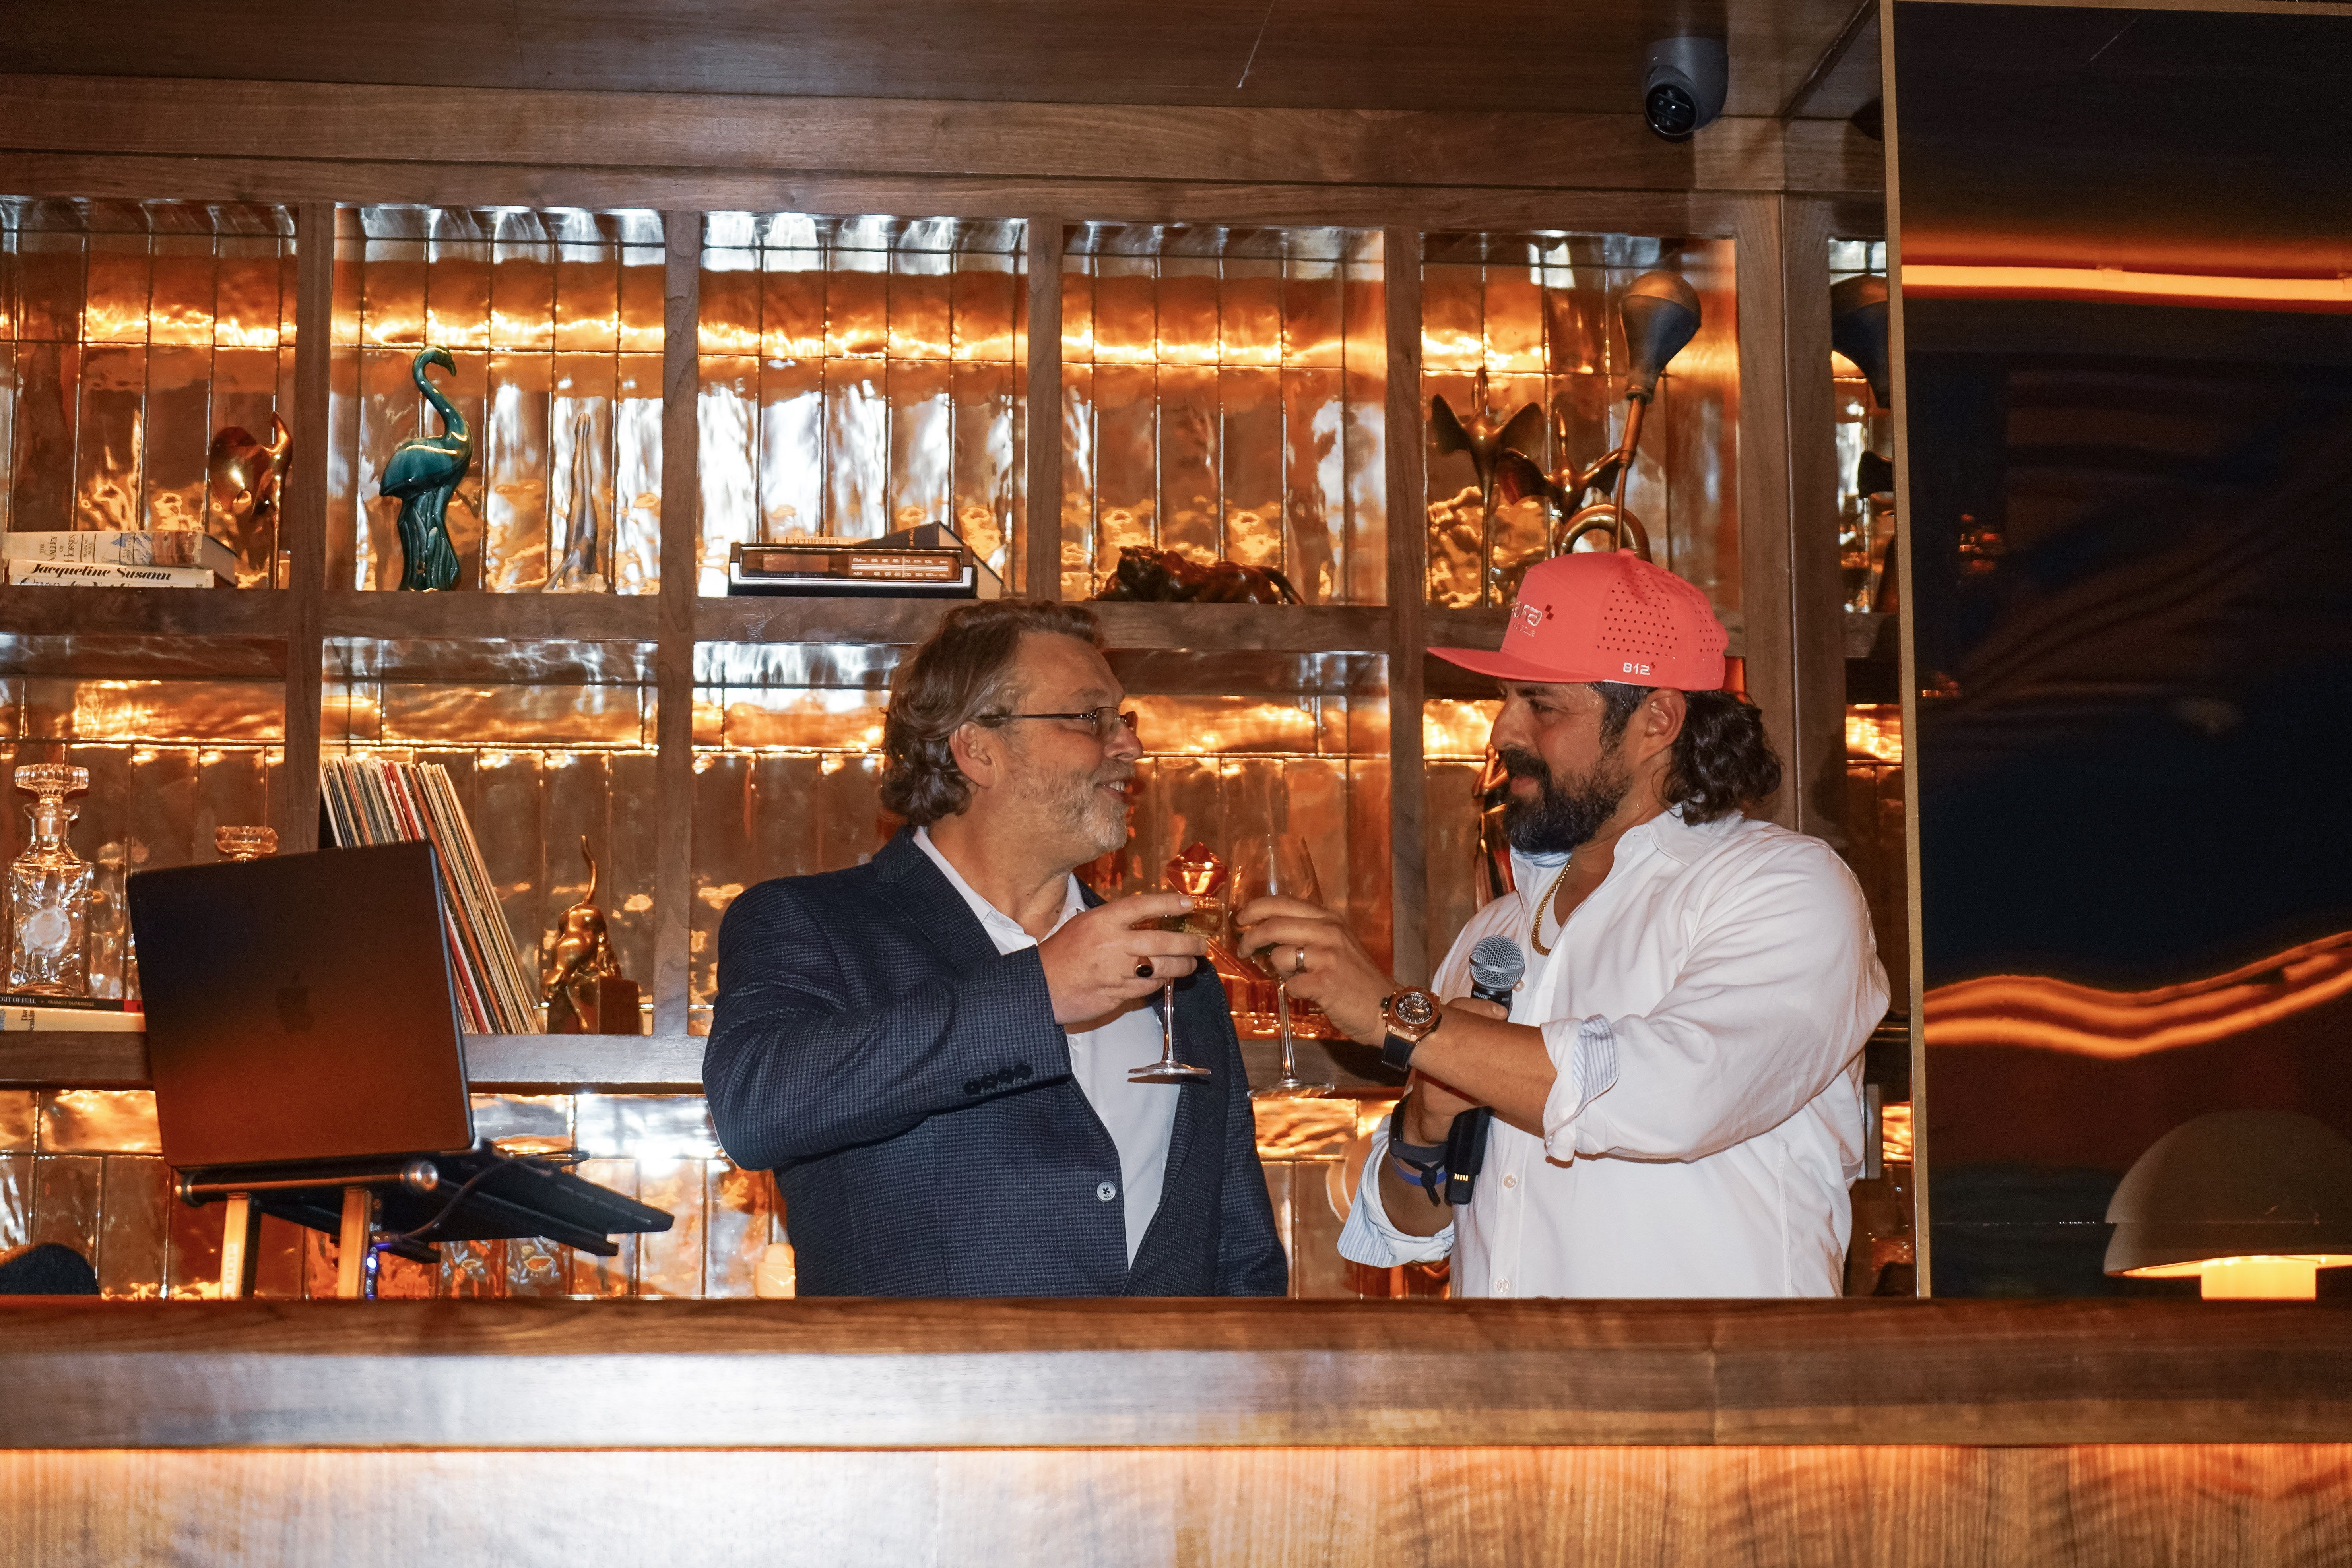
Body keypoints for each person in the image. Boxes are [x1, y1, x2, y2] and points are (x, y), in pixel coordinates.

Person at [1238, 552, 1888, 1297]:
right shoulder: (1500, 931)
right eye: (1507, 697)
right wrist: (1423, 1127)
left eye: (1541, 705)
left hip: (1710, 1404)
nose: (1501, 730)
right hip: (1510, 1402)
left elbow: (1676, 1093)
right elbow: (1413, 1230)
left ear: (1657, 720)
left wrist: (1402, 1018)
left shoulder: (1783, 886)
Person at [706, 599, 1286, 1297]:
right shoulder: (810, 922)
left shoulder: (1174, 968)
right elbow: (756, 1109)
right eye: (1089, 717)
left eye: (1124, 720)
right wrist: (1039, 992)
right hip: (924, 1402)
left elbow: (1242, 1254)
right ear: (977, 747)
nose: (1129, 746)